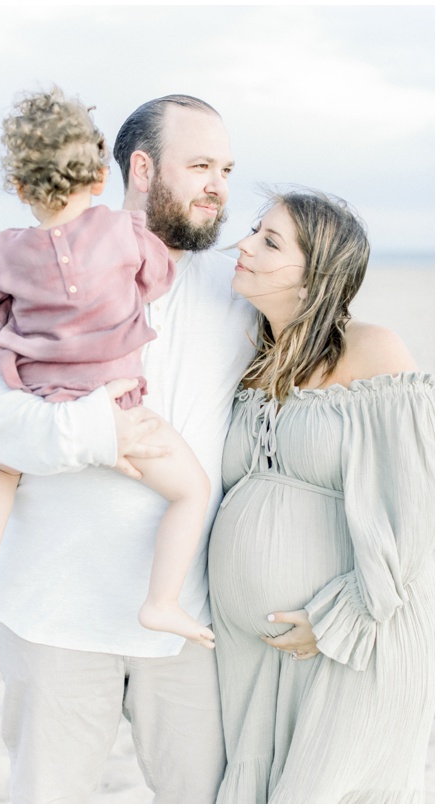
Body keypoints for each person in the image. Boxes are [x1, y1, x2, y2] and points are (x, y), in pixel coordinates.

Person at [0, 94, 255, 802]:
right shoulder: (34, 278)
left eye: (227, 169)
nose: (218, 186)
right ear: (141, 167)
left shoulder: (239, 292)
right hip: (55, 618)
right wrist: (88, 435)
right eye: (200, 165)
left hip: (184, 622)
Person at [0, 88, 214, 649]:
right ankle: (162, 602)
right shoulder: (123, 234)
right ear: (99, 179)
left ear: (20, 188)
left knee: (0, 464)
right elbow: (157, 279)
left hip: (41, 394)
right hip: (116, 404)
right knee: (191, 492)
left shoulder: (5, 251)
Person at [208, 190, 433, 803]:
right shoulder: (254, 360)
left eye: (270, 241)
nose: (244, 245)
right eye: (254, 230)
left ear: (317, 278)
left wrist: (342, 617)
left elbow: (419, 506)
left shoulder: (374, 349)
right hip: (258, 660)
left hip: (354, 642)